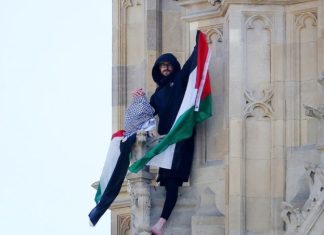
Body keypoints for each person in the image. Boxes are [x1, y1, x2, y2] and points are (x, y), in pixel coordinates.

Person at [133, 52, 195, 235]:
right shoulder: (158, 94)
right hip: (166, 142)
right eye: (162, 65)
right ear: (158, 69)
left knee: (172, 181)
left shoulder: (181, 81)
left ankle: (160, 224)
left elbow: (193, 64)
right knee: (166, 180)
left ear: (174, 66)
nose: (166, 67)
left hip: (181, 137)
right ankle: (159, 224)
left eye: (169, 64)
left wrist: (199, 41)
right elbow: (145, 116)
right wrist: (138, 99)